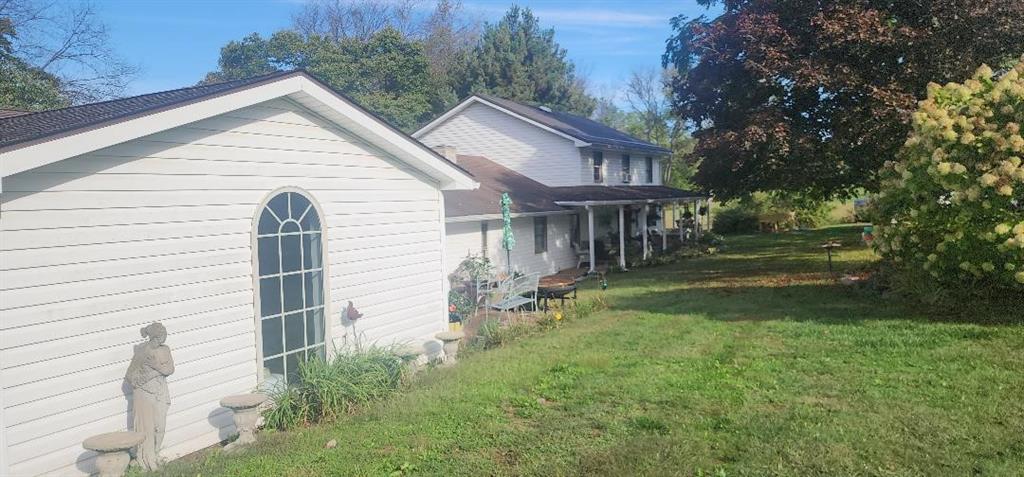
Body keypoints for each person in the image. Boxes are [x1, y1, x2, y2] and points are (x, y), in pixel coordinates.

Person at [124, 322, 174, 470]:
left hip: (160, 391)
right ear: (154, 337)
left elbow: (169, 370)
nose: (164, 339)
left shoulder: (165, 349)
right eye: (162, 336)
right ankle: (147, 459)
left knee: (160, 426)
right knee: (147, 429)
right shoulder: (143, 352)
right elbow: (130, 376)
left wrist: (155, 368)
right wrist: (143, 378)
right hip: (144, 394)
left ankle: (155, 453)